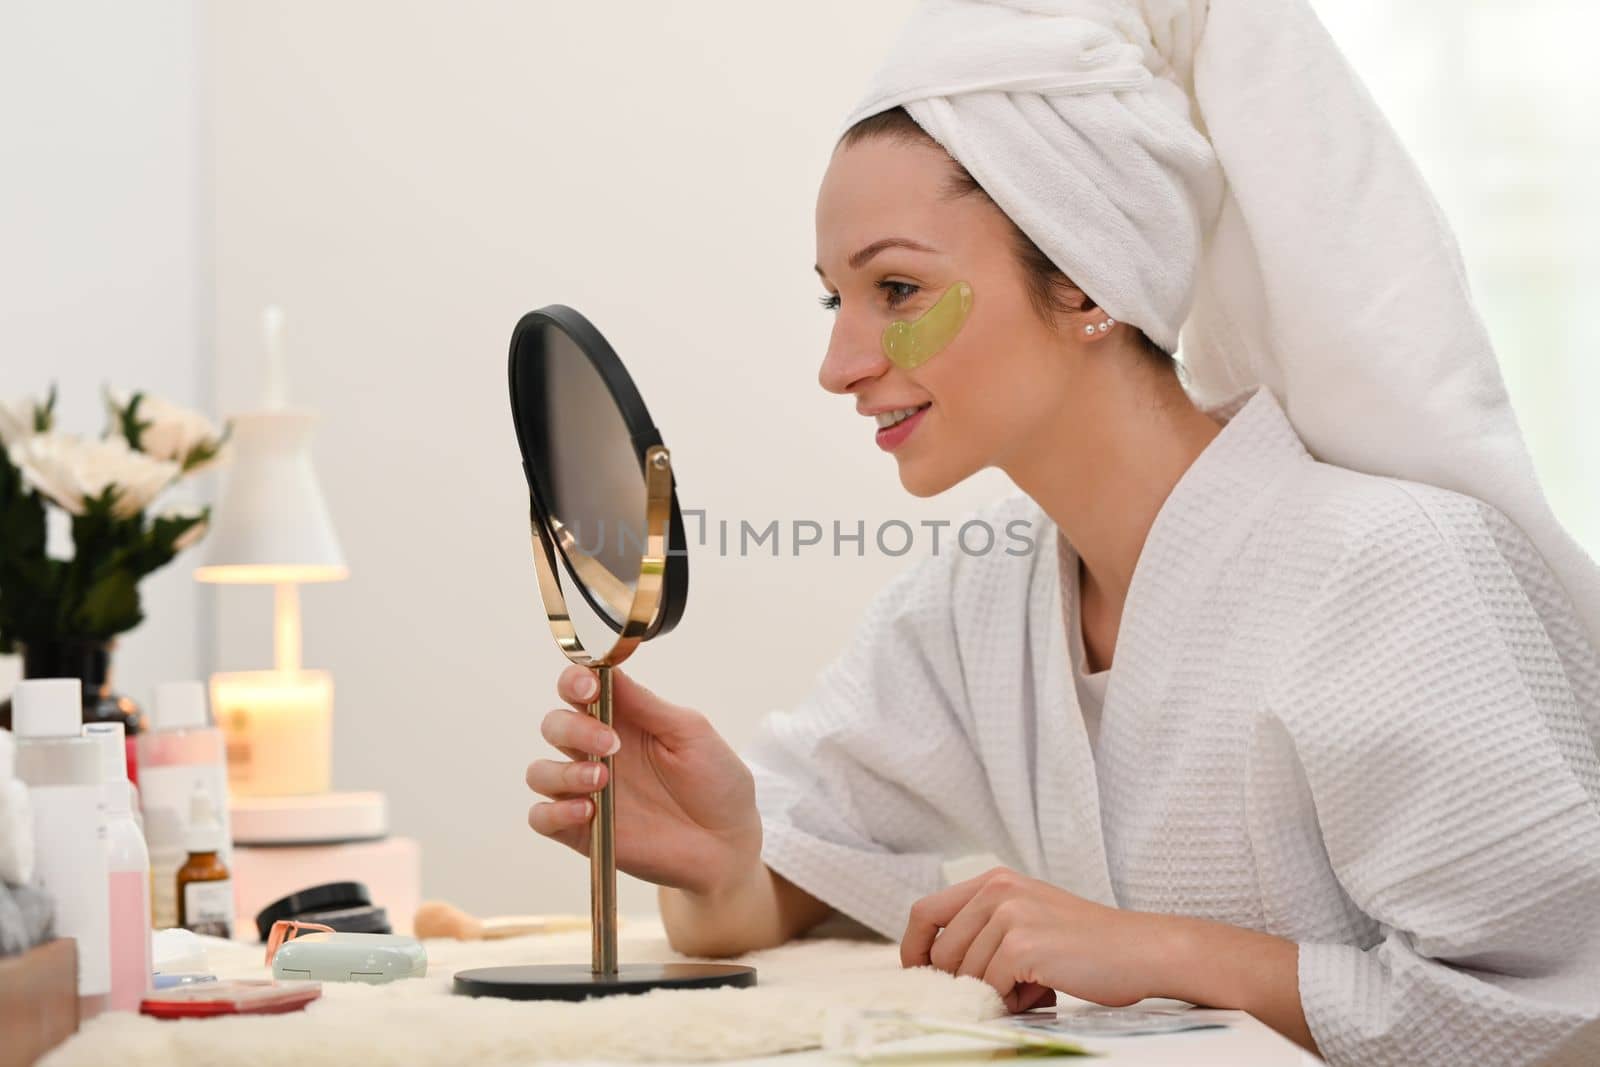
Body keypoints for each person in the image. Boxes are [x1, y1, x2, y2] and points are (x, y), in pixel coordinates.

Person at [526, 2, 1600, 1063]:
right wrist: (725, 863)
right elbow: (781, 887)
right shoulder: (977, 599)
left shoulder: (1389, 566)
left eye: (898, 289)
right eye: (833, 302)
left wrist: (1156, 950)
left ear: (1082, 277)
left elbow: (1564, 1010)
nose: (840, 363)